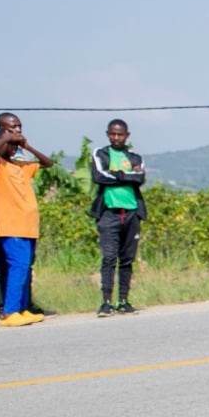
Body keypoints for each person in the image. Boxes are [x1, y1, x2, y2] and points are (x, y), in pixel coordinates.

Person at [0, 112, 57, 327]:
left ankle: (22, 308)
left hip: (28, 227)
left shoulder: (21, 166)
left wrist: (27, 147)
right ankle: (9, 311)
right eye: (13, 128)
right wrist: (5, 137)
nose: (17, 133)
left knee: (26, 267)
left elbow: (48, 163)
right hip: (10, 226)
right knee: (18, 266)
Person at [90, 119, 148, 316]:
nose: (116, 137)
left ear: (127, 135)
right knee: (109, 258)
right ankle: (106, 302)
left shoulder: (135, 156)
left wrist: (120, 174)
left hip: (132, 213)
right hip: (109, 214)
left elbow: (140, 178)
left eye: (120, 134)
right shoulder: (101, 154)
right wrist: (129, 175)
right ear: (108, 134)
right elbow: (99, 176)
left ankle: (123, 301)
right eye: (113, 134)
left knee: (126, 259)